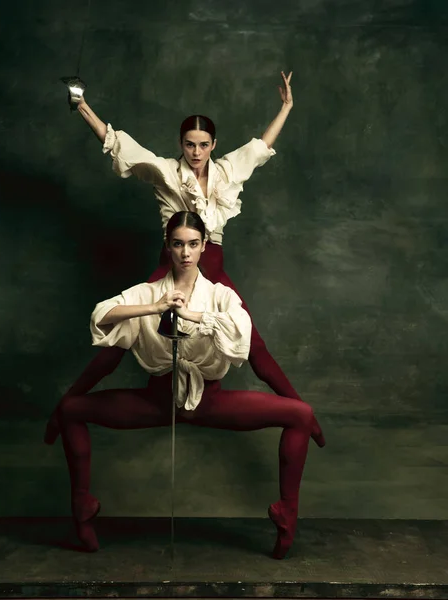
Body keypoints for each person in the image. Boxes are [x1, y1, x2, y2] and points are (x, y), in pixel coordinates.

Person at [45, 70, 324, 446]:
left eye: (203, 144)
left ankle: (306, 417)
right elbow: (117, 144)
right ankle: (63, 409)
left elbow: (260, 148)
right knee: (118, 339)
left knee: (254, 346)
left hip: (213, 269)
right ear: (181, 143)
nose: (196, 152)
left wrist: (286, 107)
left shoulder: (227, 171)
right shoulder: (165, 171)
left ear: (213, 144)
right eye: (190, 144)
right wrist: (82, 106)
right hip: (171, 266)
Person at [54, 211, 315, 559]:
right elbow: (101, 315)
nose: (186, 252)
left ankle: (287, 513)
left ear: (205, 246)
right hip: (156, 402)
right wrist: (155, 306)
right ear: (168, 247)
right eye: (178, 244)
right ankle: (83, 505)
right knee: (70, 409)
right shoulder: (146, 292)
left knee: (300, 414)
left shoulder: (220, 294)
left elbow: (241, 331)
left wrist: (196, 316)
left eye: (193, 244)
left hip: (210, 401)